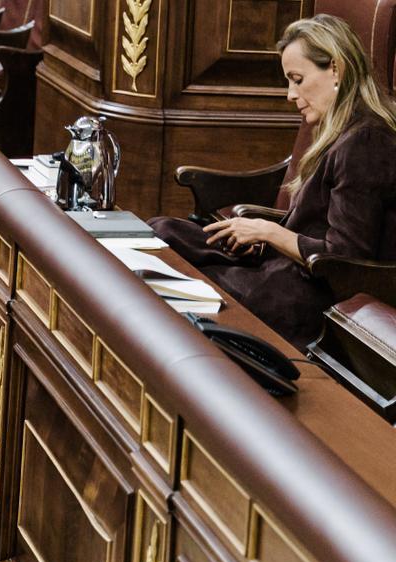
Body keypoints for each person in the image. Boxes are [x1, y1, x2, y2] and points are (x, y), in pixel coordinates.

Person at [149, 14, 396, 348]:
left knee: (183, 287)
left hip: (308, 292)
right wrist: (261, 234)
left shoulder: (366, 141)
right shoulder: (341, 130)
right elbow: (314, 225)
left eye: (297, 79)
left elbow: (346, 259)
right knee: (162, 233)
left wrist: (268, 232)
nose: (290, 94)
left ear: (336, 69)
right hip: (283, 267)